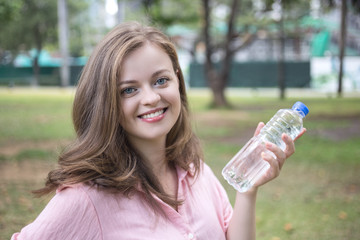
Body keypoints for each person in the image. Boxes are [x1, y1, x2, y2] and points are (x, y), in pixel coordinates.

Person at [12, 22, 306, 240]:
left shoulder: (195, 171)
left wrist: (249, 187)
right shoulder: (86, 197)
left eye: (161, 81)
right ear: (106, 102)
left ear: (178, 81)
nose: (151, 98)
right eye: (129, 89)